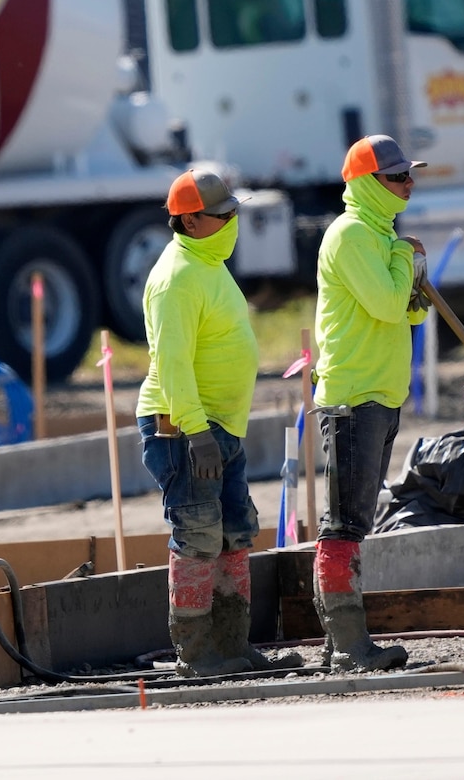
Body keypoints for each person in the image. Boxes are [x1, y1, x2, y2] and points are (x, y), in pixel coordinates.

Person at [137, 168, 305, 677]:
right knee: (198, 533)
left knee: (235, 531)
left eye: (234, 211)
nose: (234, 221)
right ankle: (196, 652)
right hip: (186, 429)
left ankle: (232, 643)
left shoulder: (209, 262)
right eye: (223, 214)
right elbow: (172, 365)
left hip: (218, 429)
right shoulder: (177, 277)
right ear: (190, 220)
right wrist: (197, 432)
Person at [310, 135, 429, 672]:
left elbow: (410, 313)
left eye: (410, 175)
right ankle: (348, 645)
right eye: (399, 177)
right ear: (367, 183)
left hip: (378, 396)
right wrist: (406, 259)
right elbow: (386, 302)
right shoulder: (354, 235)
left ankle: (345, 643)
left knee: (354, 521)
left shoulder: (380, 235)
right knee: (344, 524)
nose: (409, 184)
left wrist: (412, 275)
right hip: (353, 398)